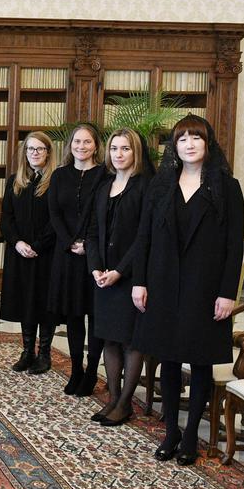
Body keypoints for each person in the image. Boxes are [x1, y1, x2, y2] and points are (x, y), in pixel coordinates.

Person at [132, 115, 244, 466]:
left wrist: (227, 293)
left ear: (208, 145)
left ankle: (192, 434)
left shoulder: (227, 187)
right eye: (182, 139)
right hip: (163, 283)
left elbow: (234, 246)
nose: (189, 144)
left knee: (199, 362)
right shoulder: (160, 186)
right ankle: (171, 433)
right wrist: (139, 281)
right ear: (174, 147)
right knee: (168, 358)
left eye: (196, 138)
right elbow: (144, 237)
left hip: (205, 288)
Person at [85, 128, 154, 426]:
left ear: (135, 152)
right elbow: (92, 232)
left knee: (130, 341)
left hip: (131, 276)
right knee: (108, 339)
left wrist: (119, 271)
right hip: (103, 276)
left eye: (125, 148)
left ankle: (125, 403)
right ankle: (113, 399)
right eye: (114, 148)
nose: (118, 154)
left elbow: (144, 237)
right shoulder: (104, 187)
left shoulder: (145, 187)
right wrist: (95, 268)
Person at [47, 122, 107, 396]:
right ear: (70, 145)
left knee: (94, 315)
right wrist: (70, 242)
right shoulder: (60, 175)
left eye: (87, 142)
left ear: (96, 146)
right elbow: (54, 213)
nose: (81, 146)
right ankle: (76, 370)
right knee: (73, 315)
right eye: (77, 142)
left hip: (95, 256)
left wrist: (88, 245)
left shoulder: (105, 175)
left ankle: (92, 372)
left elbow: (103, 214)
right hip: (67, 255)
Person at [0, 132, 59, 374]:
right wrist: (17, 243)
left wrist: (38, 245)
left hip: (46, 254)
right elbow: (6, 218)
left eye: (40, 149)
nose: (35, 153)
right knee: (25, 301)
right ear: (25, 153)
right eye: (30, 149)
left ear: (48, 152)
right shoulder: (15, 181)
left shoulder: (56, 181)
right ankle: (27, 352)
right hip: (20, 253)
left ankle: (44, 353)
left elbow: (57, 220)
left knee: (44, 303)